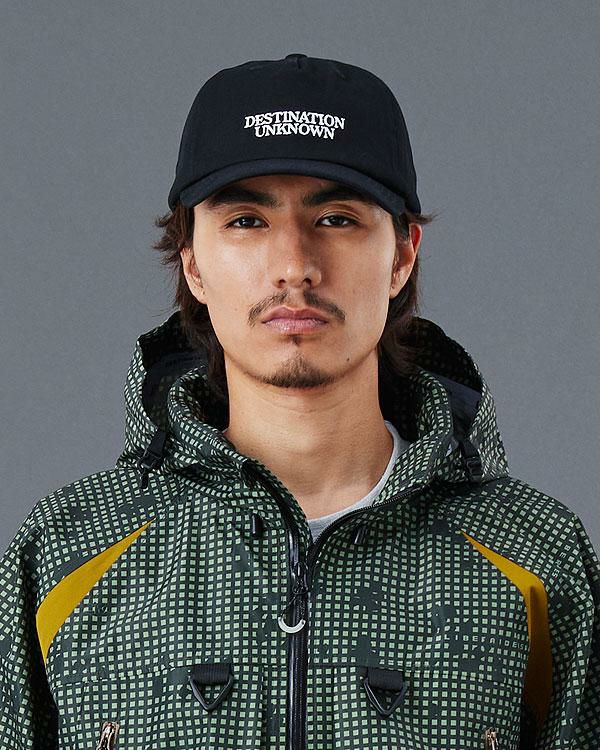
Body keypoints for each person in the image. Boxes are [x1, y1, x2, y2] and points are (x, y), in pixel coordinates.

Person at [0, 53, 598, 750]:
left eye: (337, 218)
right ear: (192, 261)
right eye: (246, 220)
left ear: (402, 254)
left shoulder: (534, 556)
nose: (294, 265)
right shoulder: (68, 549)